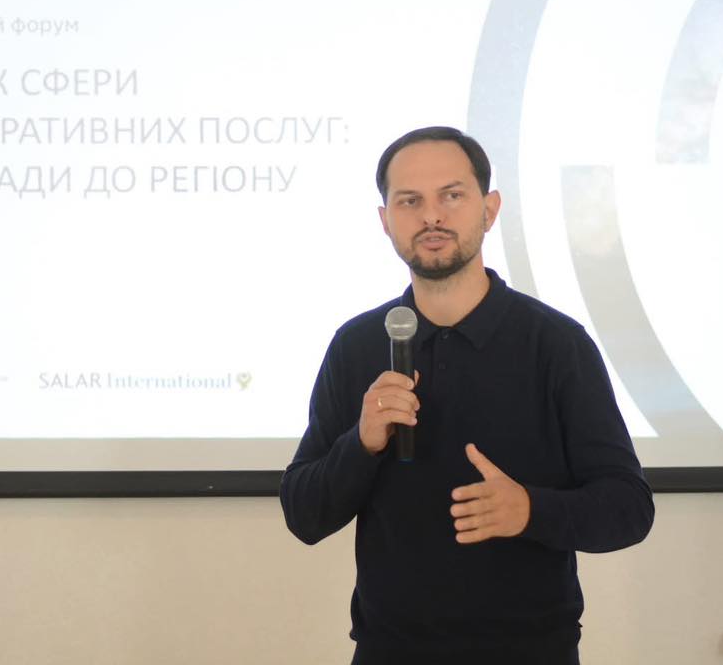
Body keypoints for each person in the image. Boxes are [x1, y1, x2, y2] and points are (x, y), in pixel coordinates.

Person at [280, 126, 654, 665]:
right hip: (389, 652)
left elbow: (629, 509)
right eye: (410, 201)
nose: (431, 216)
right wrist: (360, 444)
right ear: (385, 220)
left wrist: (531, 509)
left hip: (532, 652)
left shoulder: (556, 344)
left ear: (490, 208)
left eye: (451, 196)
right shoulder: (357, 345)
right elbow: (304, 515)